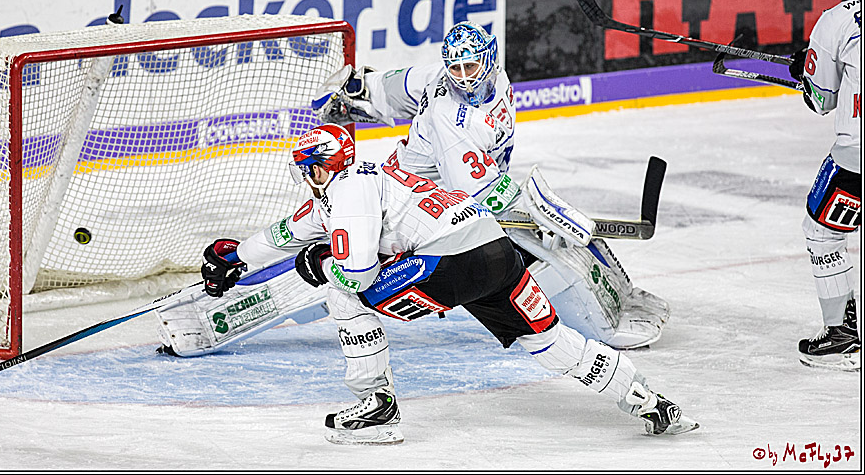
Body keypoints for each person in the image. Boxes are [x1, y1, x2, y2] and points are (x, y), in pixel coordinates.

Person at [199, 124, 698, 444]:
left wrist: (322, 265)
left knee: (341, 293)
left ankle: (376, 404)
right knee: (542, 339)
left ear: (327, 166)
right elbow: (290, 232)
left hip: (449, 265)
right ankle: (644, 398)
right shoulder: (363, 179)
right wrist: (236, 257)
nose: (307, 175)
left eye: (312, 167)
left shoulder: (348, 191)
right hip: (496, 251)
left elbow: (356, 273)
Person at [313, 22, 671, 350]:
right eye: (456, 69)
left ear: (489, 59)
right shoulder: (454, 123)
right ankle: (603, 328)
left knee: (557, 233)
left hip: (430, 183)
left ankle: (623, 295)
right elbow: (477, 195)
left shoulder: (455, 76)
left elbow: (398, 85)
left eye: (470, 66)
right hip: (414, 203)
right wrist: (536, 212)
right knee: (543, 246)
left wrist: (359, 90)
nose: (464, 78)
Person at [787, 0, 861, 371]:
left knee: (823, 235)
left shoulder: (836, 21)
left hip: (859, 157)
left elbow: (822, 101)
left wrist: (805, 72)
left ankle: (843, 338)